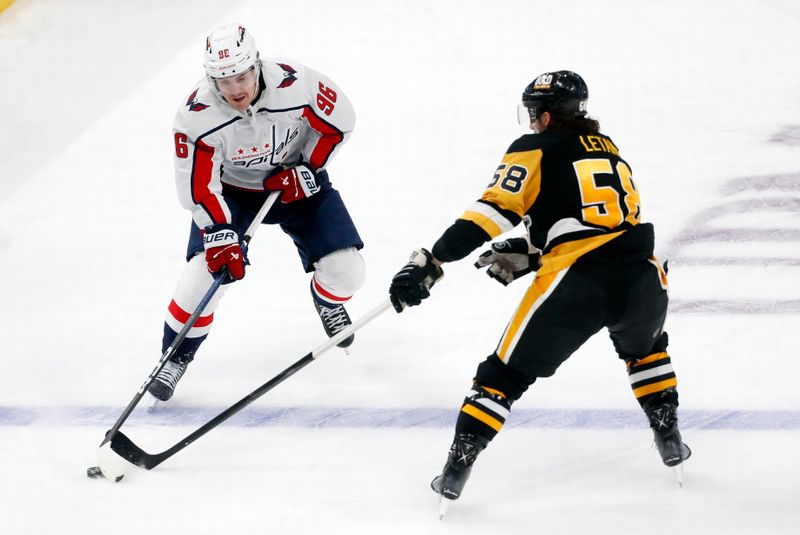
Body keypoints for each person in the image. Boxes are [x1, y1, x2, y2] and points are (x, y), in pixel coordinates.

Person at [389, 70, 690, 503]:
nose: (531, 122)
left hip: (578, 282)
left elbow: (493, 210)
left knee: (502, 376)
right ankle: (669, 435)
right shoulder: (610, 151)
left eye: (534, 114)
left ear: (546, 117)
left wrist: (434, 259)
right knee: (646, 352)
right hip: (643, 278)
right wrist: (533, 251)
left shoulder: (534, 147)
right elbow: (593, 220)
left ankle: (457, 468)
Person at [148, 23, 365, 402]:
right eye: (224, 80)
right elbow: (199, 186)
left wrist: (308, 167)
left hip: (295, 180)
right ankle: (174, 356)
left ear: (257, 66)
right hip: (232, 192)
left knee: (348, 272)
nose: (236, 89)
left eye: (242, 76)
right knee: (201, 276)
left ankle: (327, 300)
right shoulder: (196, 116)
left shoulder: (298, 85)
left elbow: (339, 124)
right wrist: (219, 233)